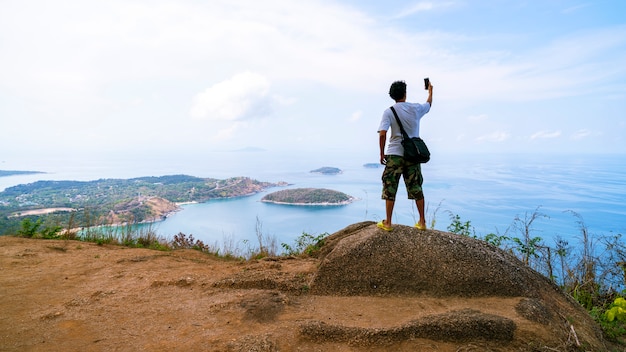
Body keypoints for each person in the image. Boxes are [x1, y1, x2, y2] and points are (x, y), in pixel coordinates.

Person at [377, 79, 433, 231]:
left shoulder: (389, 112)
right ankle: (422, 222)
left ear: (392, 96)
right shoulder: (415, 108)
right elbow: (428, 104)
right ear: (405, 94)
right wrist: (430, 91)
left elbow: (382, 134)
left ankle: (388, 223)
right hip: (412, 155)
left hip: (394, 154)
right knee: (416, 187)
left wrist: (382, 153)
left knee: (390, 186)